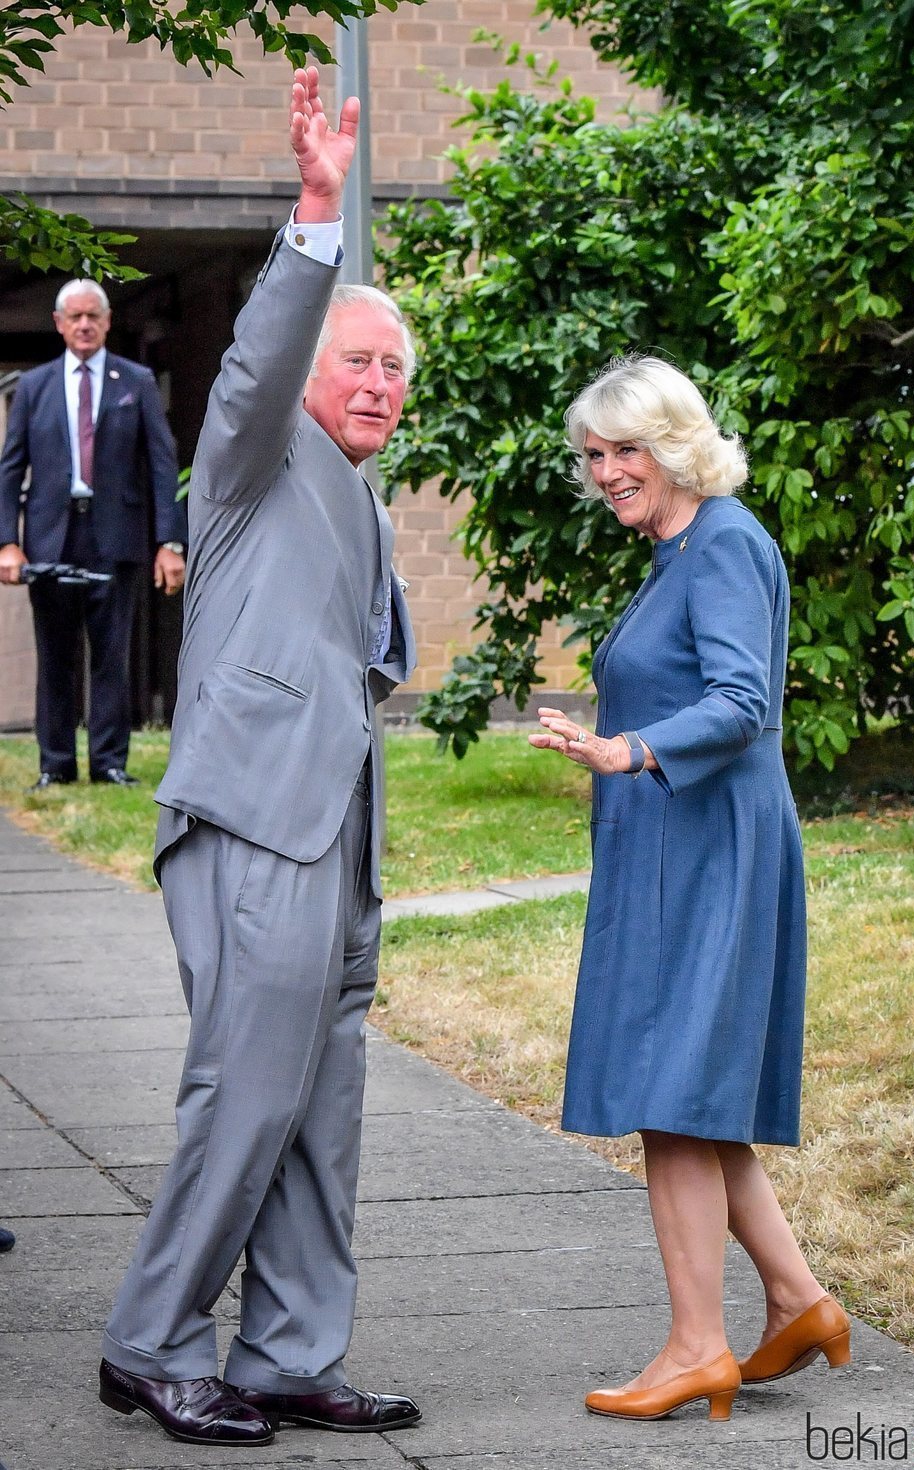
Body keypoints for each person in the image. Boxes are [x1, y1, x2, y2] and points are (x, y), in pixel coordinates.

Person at [97, 69, 420, 1448]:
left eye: (397, 368)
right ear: (307, 376)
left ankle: (288, 1349)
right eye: (358, 361)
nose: (378, 383)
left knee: (320, 1107)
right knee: (251, 1087)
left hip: (338, 833)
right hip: (254, 823)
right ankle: (152, 1339)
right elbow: (259, 362)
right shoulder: (248, 455)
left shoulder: (360, 501)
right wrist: (315, 215)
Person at [529, 356, 849, 1424]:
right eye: (594, 456)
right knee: (695, 1104)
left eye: (625, 450)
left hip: (707, 848)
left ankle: (694, 1347)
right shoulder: (682, 549)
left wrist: (625, 750)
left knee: (671, 1100)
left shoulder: (718, 543)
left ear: (674, 446)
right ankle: (797, 1301)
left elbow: (742, 702)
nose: (607, 472)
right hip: (683, 843)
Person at [0, 280, 185, 789]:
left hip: (117, 534)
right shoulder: (33, 388)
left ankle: (109, 763)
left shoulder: (138, 381)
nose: (84, 325)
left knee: (111, 656)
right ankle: (54, 765)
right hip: (50, 537)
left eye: (93, 316)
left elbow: (162, 466)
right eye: (74, 317)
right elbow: (10, 469)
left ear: (106, 322)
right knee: (55, 656)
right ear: (59, 324)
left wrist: (170, 543)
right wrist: (6, 542)